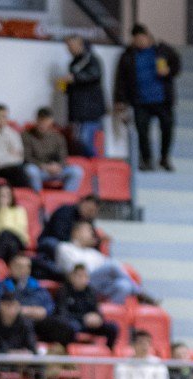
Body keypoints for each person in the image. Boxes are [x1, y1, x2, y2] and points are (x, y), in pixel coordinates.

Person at [115, 24, 181, 172]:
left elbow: (176, 65)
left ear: (148, 36)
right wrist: (120, 100)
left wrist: (169, 71)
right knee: (142, 132)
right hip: (140, 101)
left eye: (141, 38)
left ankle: (164, 158)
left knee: (167, 129)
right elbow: (121, 80)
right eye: (136, 39)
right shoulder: (128, 56)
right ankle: (146, 159)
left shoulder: (162, 50)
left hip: (162, 100)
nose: (139, 42)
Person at [54, 221, 141, 303]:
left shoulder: (93, 253)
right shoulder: (65, 248)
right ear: (76, 232)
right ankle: (139, 293)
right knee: (112, 265)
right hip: (78, 283)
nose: (92, 234)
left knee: (124, 285)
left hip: (98, 286)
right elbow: (78, 269)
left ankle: (108, 311)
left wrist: (104, 246)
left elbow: (113, 270)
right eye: (88, 230)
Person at [46, 262, 117, 348]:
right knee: (70, 327)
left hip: (89, 324)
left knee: (113, 327)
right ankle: (70, 353)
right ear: (72, 277)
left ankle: (109, 353)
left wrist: (98, 318)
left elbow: (97, 311)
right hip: (73, 323)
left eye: (85, 276)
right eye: (80, 276)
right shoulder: (64, 291)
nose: (83, 279)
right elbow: (62, 314)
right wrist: (83, 319)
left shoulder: (90, 291)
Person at [22, 109, 85, 194]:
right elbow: (27, 157)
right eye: (41, 121)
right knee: (30, 170)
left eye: (46, 122)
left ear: (51, 122)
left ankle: (67, 199)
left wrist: (58, 166)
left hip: (56, 170)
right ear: (36, 120)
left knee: (77, 171)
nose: (43, 124)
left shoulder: (58, 137)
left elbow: (63, 157)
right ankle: (39, 197)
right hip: (39, 169)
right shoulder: (26, 135)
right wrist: (44, 166)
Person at [63, 35, 107, 157]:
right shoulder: (73, 63)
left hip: (91, 110)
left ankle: (96, 164)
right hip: (78, 111)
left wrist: (75, 78)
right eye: (68, 47)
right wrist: (65, 86)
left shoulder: (92, 60)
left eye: (71, 46)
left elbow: (94, 75)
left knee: (85, 140)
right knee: (77, 141)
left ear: (80, 45)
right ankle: (88, 167)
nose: (69, 50)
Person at [0, 252, 52, 322]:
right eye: (19, 266)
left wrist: (43, 311)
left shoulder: (38, 286)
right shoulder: (1, 287)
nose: (23, 270)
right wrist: (27, 311)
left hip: (39, 323)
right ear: (10, 267)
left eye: (27, 266)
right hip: (15, 324)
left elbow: (49, 307)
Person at [40, 192, 103, 258]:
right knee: (58, 246)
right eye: (89, 209)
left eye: (93, 212)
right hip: (52, 240)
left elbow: (92, 239)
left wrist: (95, 242)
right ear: (83, 203)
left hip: (73, 246)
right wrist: (78, 243)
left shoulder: (88, 220)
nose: (90, 213)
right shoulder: (65, 211)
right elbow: (58, 234)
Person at [0, 292, 35, 357]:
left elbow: (33, 349)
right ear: (0, 306)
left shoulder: (26, 324)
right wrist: (8, 353)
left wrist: (22, 354)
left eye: (13, 305)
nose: (10, 309)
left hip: (21, 363)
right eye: (7, 305)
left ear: (19, 307)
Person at [0, 184, 31, 261]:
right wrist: (2, 210)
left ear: (12, 196)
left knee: (6, 234)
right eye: (1, 195)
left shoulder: (19, 210)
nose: (4, 197)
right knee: (10, 244)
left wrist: (5, 227)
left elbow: (20, 229)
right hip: (1, 242)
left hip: (18, 240)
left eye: (7, 194)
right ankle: (11, 266)